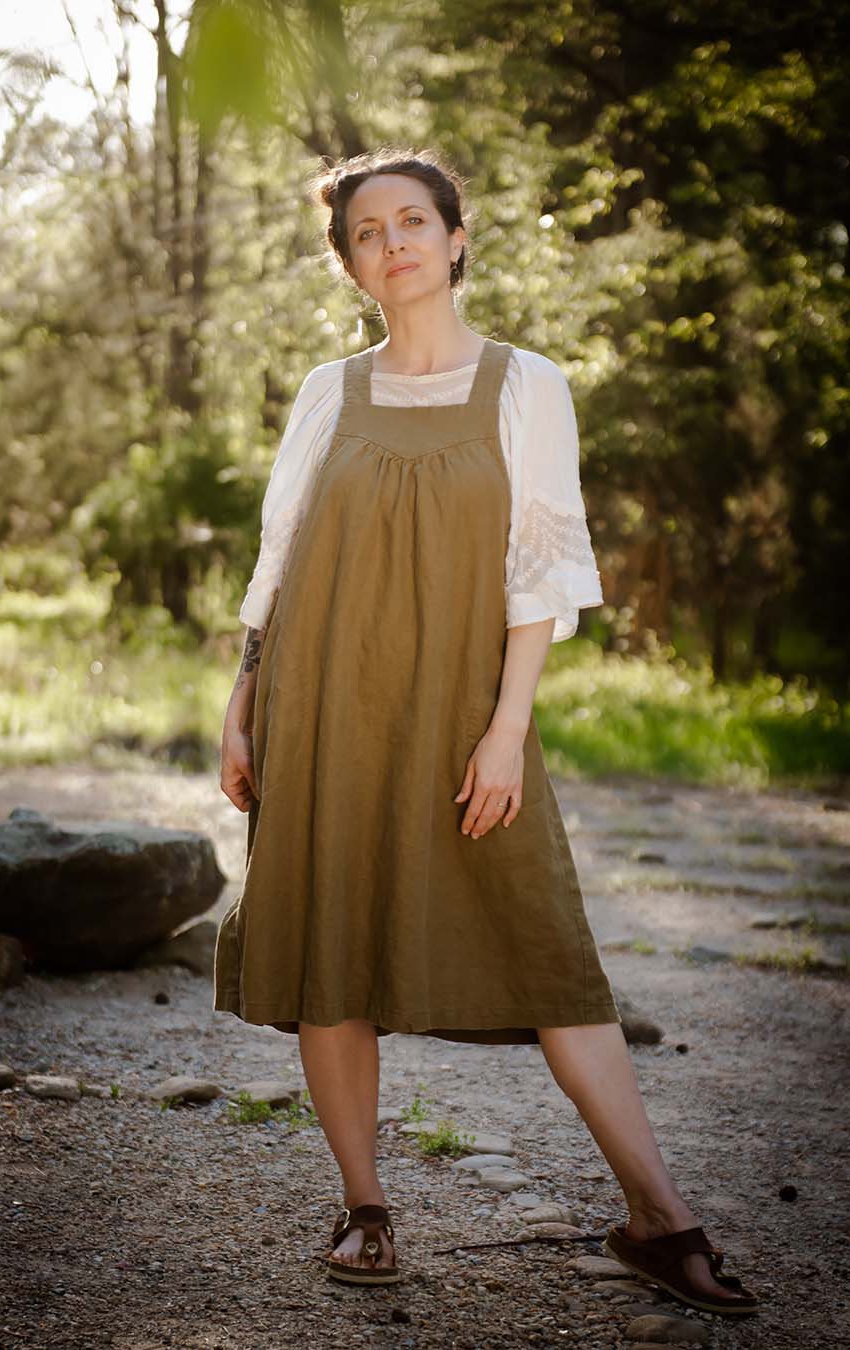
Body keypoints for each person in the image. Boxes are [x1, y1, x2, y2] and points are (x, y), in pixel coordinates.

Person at [214, 148, 758, 1316]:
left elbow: (542, 567)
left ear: (456, 241)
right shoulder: (328, 392)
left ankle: (660, 1220)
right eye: (369, 231)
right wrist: (244, 698)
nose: (395, 241)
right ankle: (366, 1210)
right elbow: (280, 559)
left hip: (467, 708)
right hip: (321, 695)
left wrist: (507, 728)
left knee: (546, 944)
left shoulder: (527, 384)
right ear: (352, 263)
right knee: (328, 949)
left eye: (415, 220)